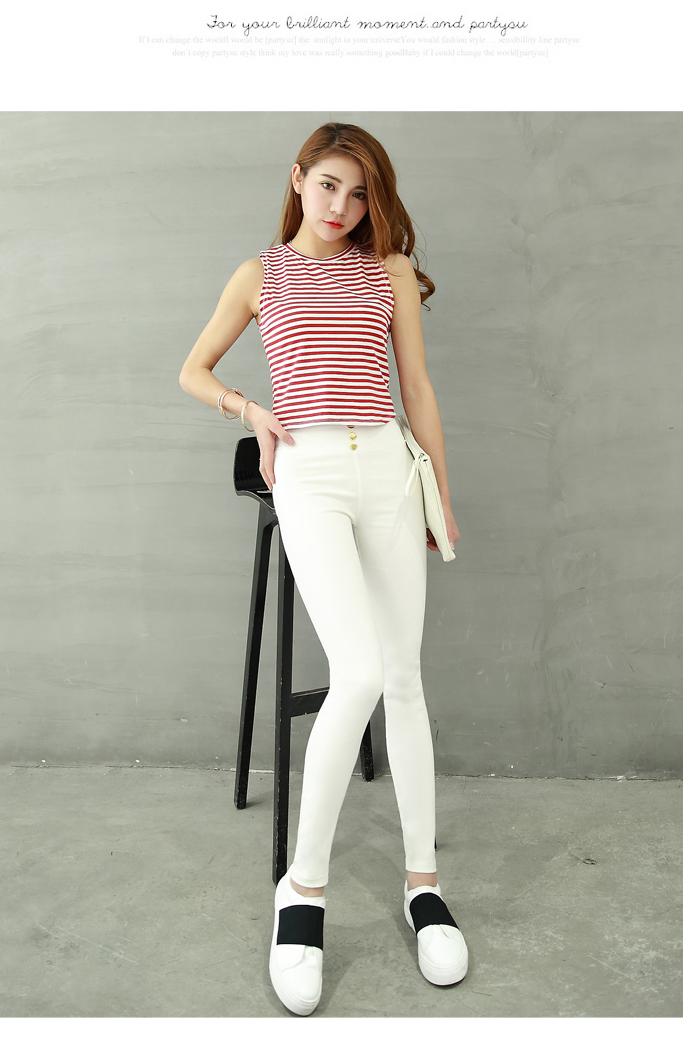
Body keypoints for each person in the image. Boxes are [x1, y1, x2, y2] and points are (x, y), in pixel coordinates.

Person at [179, 122, 468, 1016]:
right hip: (307, 470)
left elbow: (417, 390)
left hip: (386, 466)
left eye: (361, 193)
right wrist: (250, 412)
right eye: (331, 185)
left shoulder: (388, 272)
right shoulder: (260, 275)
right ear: (299, 178)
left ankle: (423, 884)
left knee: (405, 678)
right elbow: (193, 369)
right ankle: (302, 891)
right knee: (361, 673)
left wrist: (440, 494)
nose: (343, 206)